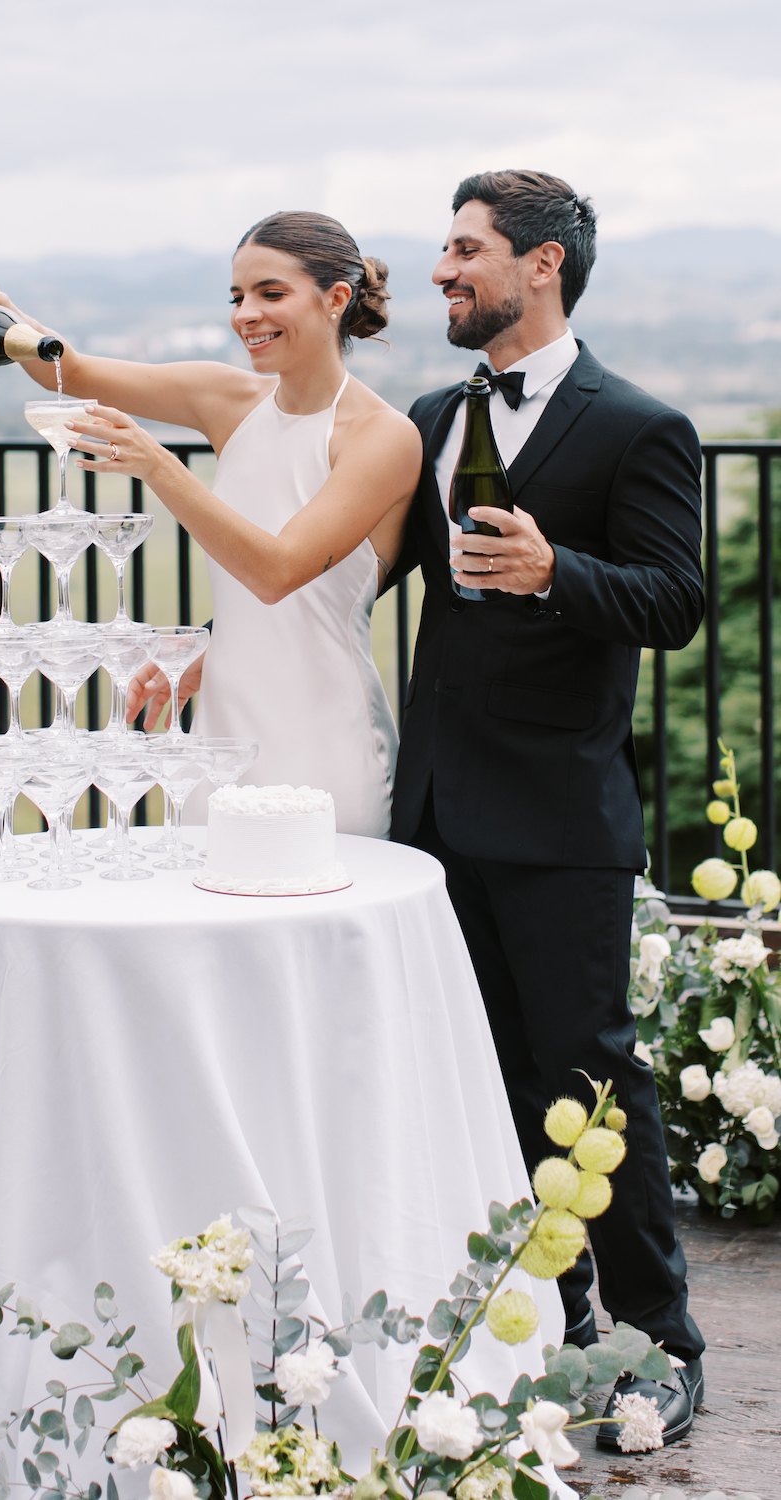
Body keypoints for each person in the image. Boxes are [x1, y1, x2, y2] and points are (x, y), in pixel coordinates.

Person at [388, 169, 706, 1446]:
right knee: (479, 1084)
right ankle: (550, 1316)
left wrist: (553, 569)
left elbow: (673, 601)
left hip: (561, 820)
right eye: (442, 249)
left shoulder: (640, 424)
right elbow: (352, 570)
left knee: (592, 1087)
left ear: (541, 267)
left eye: (464, 250)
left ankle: (658, 1343)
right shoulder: (425, 414)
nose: (442, 271)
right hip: (430, 818)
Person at [0, 211, 421, 836]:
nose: (246, 313)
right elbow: (73, 372)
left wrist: (158, 467)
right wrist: (9, 318)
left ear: (336, 299)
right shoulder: (227, 397)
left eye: (271, 294)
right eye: (238, 296)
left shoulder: (383, 436)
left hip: (327, 739)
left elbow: (277, 572)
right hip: (217, 737)